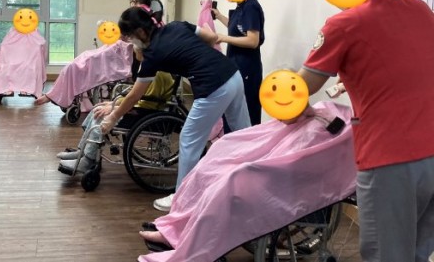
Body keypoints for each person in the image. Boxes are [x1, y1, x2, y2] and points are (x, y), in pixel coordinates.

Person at [296, 0, 434, 262]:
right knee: (418, 252)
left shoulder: (342, 25)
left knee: (388, 255)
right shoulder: (418, 8)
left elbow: (299, 91)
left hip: (391, 159)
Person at [136, 102, 356, 261]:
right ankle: (176, 230)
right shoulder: (325, 109)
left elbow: (298, 162)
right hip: (299, 136)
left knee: (232, 179)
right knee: (217, 156)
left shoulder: (340, 130)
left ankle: (194, 246)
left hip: (287, 167)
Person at [95, 7, 250, 212]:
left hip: (212, 86)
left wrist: (113, 117)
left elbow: (134, 95)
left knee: (189, 139)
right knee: (242, 134)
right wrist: (194, 55)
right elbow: (212, 38)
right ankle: (251, 182)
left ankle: (182, 199)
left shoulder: (153, 55)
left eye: (130, 37)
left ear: (140, 32)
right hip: (232, 74)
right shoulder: (177, 26)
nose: (130, 42)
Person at [57, 71, 175, 174]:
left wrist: (115, 107)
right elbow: (137, 95)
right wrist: (114, 103)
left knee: (100, 116)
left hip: (143, 114)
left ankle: (88, 160)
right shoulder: (154, 69)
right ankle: (82, 151)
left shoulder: (157, 73)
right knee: (97, 109)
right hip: (141, 109)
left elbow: (145, 103)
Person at [212, 0, 265, 125]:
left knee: (247, 111)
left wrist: (224, 38)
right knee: (234, 109)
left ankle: (248, 138)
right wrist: (219, 16)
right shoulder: (241, 6)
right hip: (236, 65)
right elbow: (236, 28)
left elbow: (253, 41)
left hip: (247, 68)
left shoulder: (251, 7)